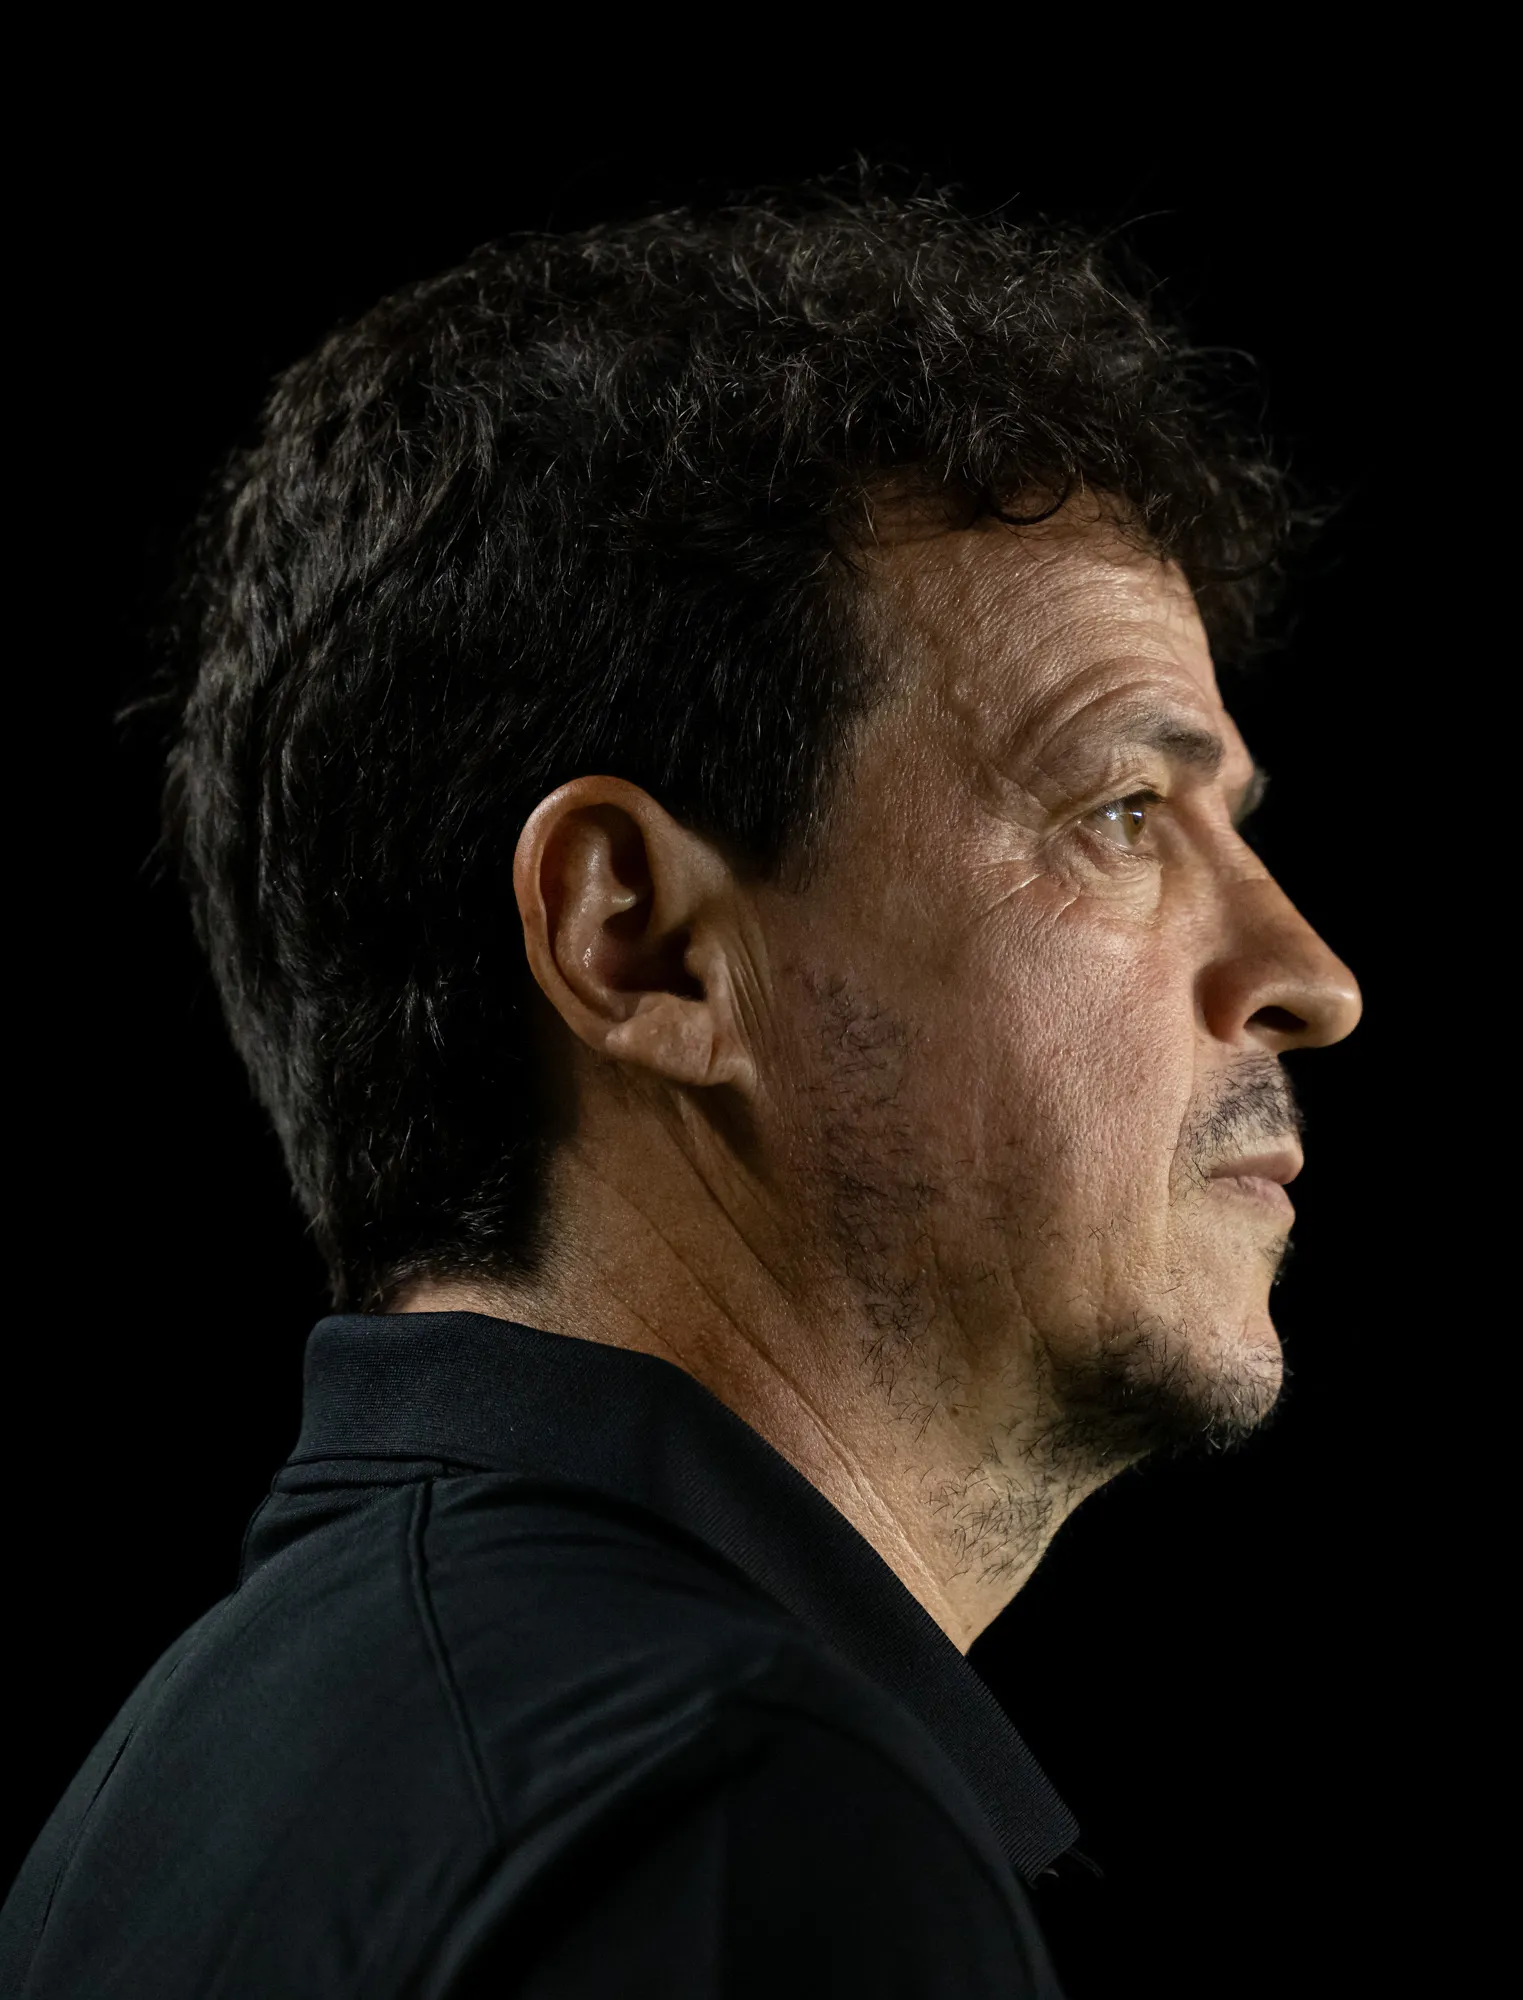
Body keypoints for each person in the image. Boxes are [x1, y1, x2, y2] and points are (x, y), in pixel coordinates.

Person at [0, 182, 1359, 1997]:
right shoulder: (740, 1814)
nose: (1308, 980)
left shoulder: (180, 1782)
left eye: (1230, 830)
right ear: (640, 945)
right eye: (1119, 813)